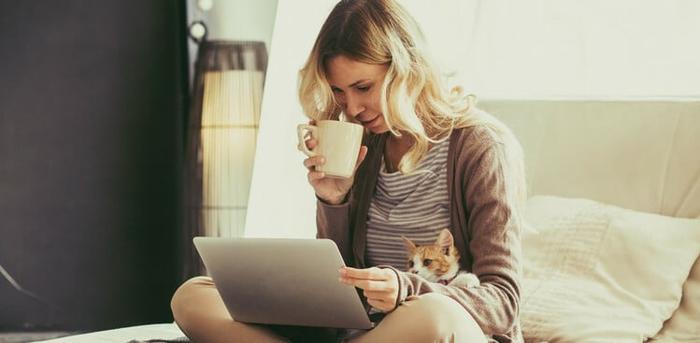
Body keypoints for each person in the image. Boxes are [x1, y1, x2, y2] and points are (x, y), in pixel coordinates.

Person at [171, 0, 527, 342]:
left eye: (363, 87)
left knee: (434, 315)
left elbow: (504, 300)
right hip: (365, 332)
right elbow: (339, 289)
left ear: (408, 69)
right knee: (194, 296)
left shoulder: (482, 147)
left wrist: (406, 289)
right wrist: (333, 199)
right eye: (339, 93)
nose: (352, 108)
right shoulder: (366, 145)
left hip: (436, 328)